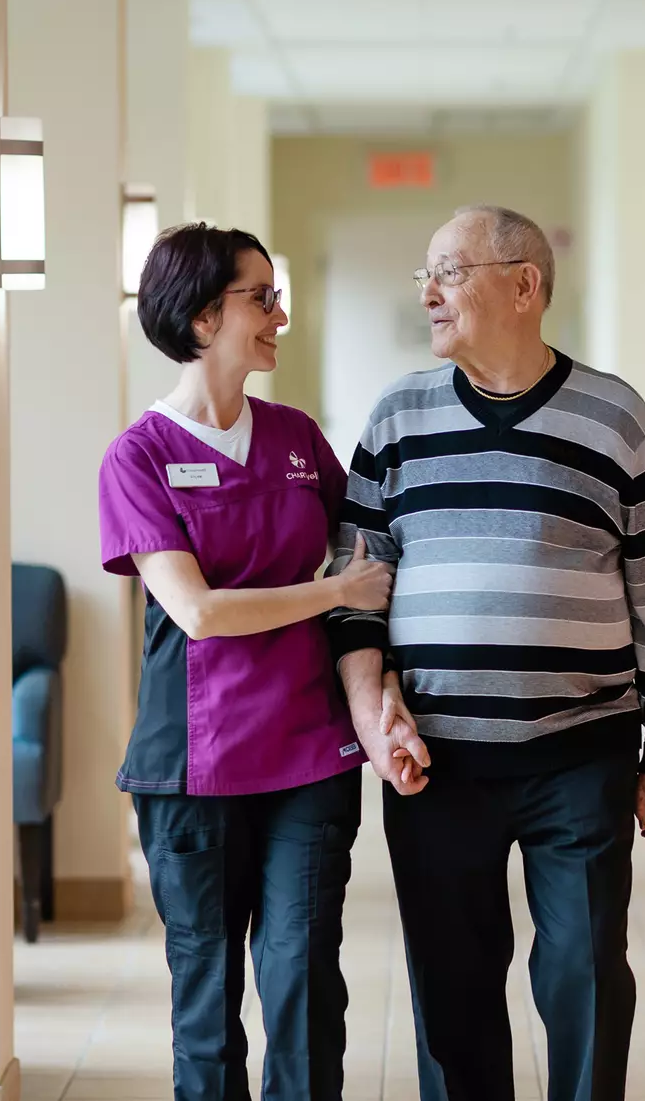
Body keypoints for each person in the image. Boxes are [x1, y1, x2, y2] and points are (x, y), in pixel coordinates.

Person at [325, 205, 645, 1101]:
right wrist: (377, 717)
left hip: (583, 749)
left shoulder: (615, 417)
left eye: (448, 272)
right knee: (452, 990)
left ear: (524, 284)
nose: (428, 292)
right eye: (425, 274)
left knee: (586, 975)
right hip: (436, 762)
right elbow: (354, 590)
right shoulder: (397, 416)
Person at [97, 222, 426, 1101]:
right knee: (206, 997)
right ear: (203, 316)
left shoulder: (296, 439)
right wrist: (332, 594)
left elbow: (372, 554)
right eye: (262, 297)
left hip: (309, 755)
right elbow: (199, 611)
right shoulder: (139, 457)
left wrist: (382, 691)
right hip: (193, 769)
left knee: (307, 976)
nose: (281, 314)